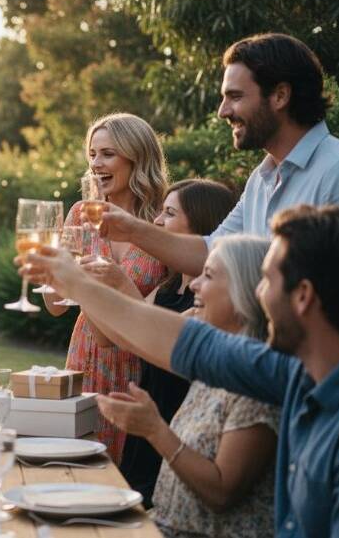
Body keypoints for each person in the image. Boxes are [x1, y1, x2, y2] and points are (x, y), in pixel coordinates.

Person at [21, 204, 339, 537]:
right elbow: (180, 341)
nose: (258, 294)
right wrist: (77, 283)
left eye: (267, 280)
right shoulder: (288, 372)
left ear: (303, 296)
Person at [95, 33, 339, 278]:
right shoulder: (261, 179)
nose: (223, 111)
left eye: (234, 97)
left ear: (280, 96)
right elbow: (212, 252)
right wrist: (131, 229)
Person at [101, 236, 279, 537]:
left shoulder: (256, 382)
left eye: (208, 276)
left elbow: (221, 492)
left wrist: (154, 429)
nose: (194, 285)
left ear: (244, 293)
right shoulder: (216, 368)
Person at [44, 112, 169, 462]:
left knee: (130, 468)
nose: (96, 163)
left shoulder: (163, 220)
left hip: (139, 361)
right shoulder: (80, 215)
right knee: (81, 460)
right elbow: (55, 305)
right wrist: (53, 270)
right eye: (93, 154)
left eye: (108, 154)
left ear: (137, 157)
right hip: (87, 357)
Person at [109, 179, 237, 508]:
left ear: (202, 227)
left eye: (169, 213)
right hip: (143, 441)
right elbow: (133, 334)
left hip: (175, 436)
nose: (156, 221)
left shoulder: (211, 305)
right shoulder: (167, 288)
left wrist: (117, 283)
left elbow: (149, 335)